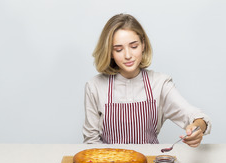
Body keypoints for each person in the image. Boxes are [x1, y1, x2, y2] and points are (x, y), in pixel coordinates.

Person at [83, 13, 211, 147]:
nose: (128, 55)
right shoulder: (94, 86)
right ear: (110, 53)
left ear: (143, 44)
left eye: (134, 46)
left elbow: (196, 116)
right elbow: (91, 142)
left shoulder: (160, 84)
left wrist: (197, 128)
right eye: (119, 49)